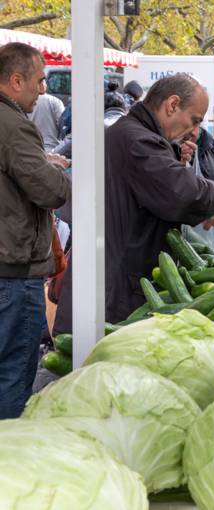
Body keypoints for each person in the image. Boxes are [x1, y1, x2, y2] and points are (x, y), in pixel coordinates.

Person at [105, 74, 214, 323]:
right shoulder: (137, 140)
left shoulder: (136, 134)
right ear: (172, 105)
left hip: (122, 278)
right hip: (119, 288)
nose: (194, 132)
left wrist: (173, 155)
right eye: (194, 121)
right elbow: (182, 194)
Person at [0, 42, 71, 418]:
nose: (43, 90)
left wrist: (40, 162)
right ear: (16, 81)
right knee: (13, 372)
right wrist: (56, 170)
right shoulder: (13, 126)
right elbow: (50, 190)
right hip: (12, 272)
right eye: (39, 81)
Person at [29, 78, 65, 151]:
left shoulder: (25, 101)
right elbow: (63, 126)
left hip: (31, 149)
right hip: (52, 150)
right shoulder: (55, 101)